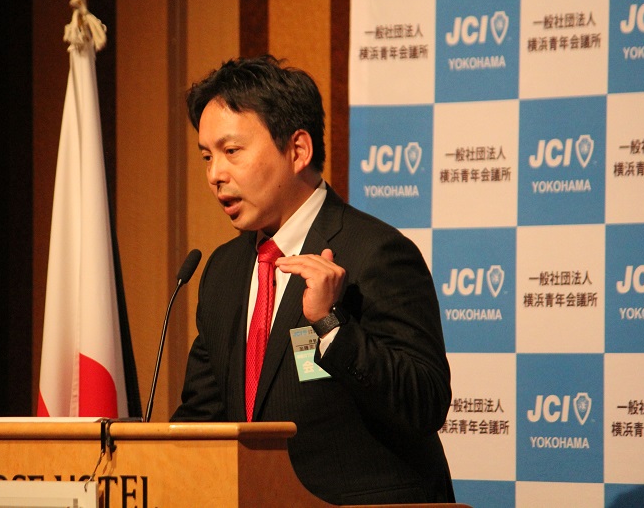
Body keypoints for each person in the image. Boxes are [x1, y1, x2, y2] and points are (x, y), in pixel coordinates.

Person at [171, 55, 455, 505]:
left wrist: (329, 325)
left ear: (298, 150)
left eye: (232, 151)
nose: (215, 175)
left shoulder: (376, 252)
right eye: (207, 156)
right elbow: (203, 417)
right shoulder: (222, 270)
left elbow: (426, 402)